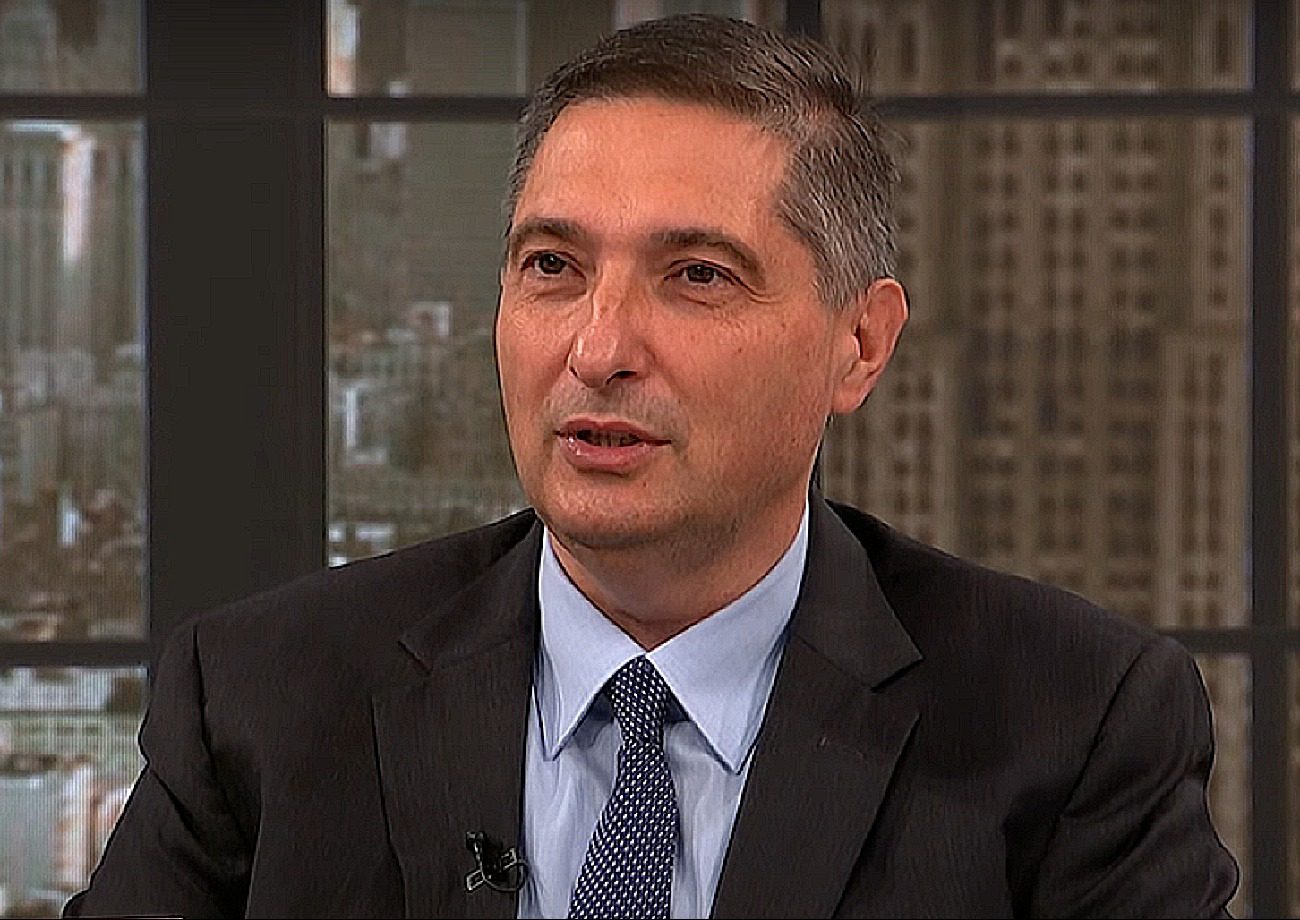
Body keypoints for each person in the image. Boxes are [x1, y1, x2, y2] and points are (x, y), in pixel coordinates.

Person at [67, 14, 1238, 919]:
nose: (599, 348)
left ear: (859, 343)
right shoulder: (262, 699)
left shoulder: (1075, 719)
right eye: (552, 266)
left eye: (698, 276)